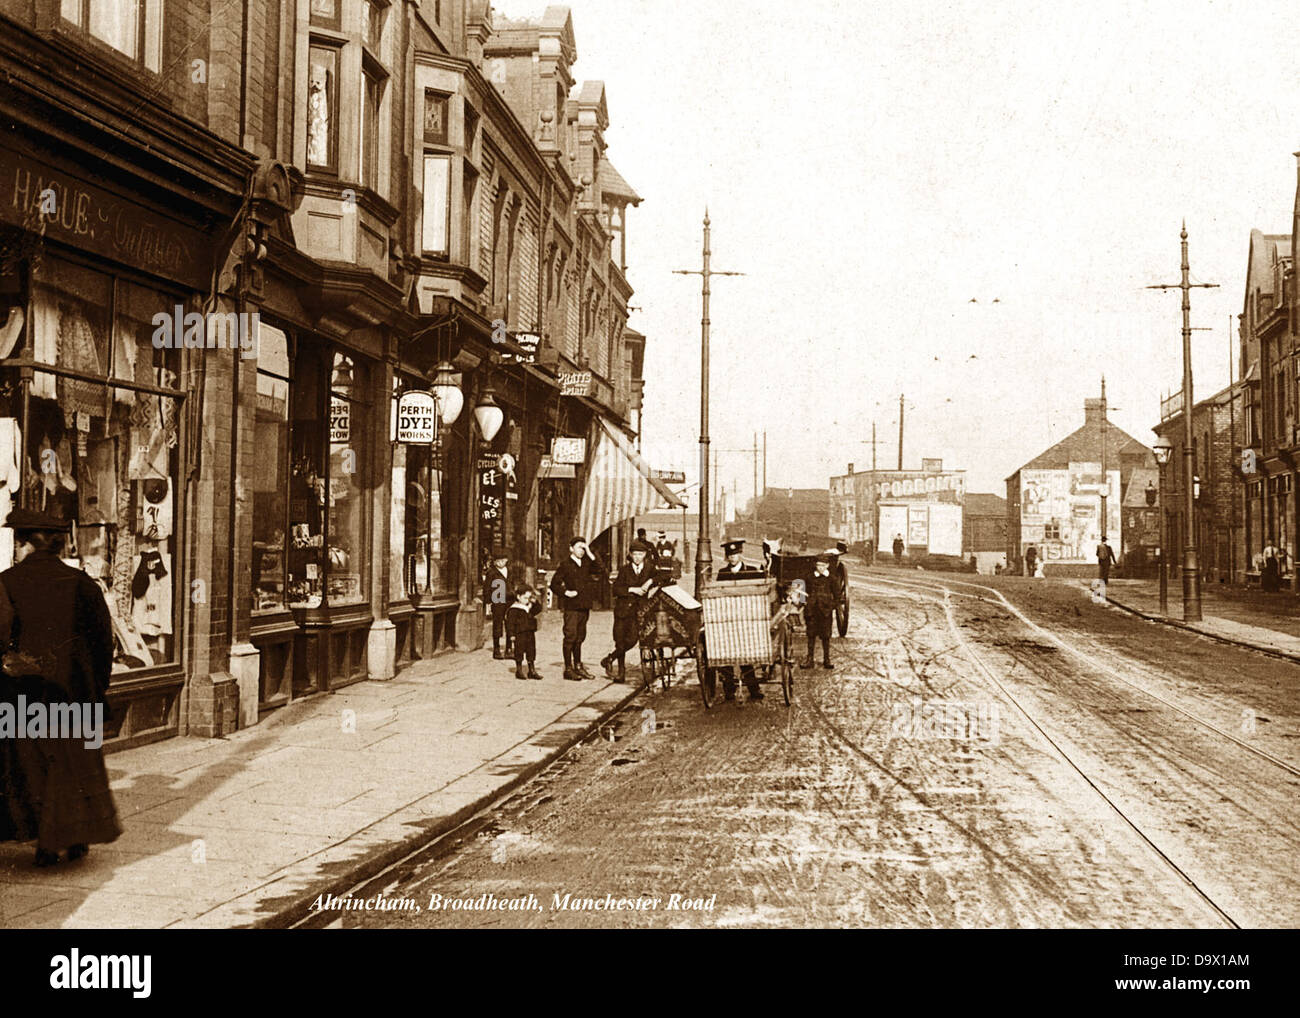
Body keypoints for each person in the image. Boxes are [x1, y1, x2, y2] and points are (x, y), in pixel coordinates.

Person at [0, 508, 120, 866]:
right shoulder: (83, 584)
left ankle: (45, 841)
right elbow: (104, 643)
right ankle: (74, 837)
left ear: (23, 544)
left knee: (33, 767)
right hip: (75, 694)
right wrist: (97, 689)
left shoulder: (6, 583)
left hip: (23, 696)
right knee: (74, 767)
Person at [710, 539, 764, 701]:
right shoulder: (722, 573)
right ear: (727, 557)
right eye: (730, 555)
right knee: (726, 654)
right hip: (728, 618)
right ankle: (729, 690)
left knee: (746, 655)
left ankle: (754, 689)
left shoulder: (752, 571)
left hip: (746, 618)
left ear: (740, 554)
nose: (733, 558)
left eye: (735, 554)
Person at [548, 536, 604, 681]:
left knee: (580, 636)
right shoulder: (565, 565)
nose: (582, 551)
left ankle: (578, 666)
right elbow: (554, 584)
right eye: (579, 547)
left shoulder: (587, 563)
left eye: (583, 548)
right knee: (570, 636)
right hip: (572, 606)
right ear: (571, 548)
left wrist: (590, 552)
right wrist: (566, 592)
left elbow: (600, 568)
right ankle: (568, 668)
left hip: (584, 605)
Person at [602, 540, 656, 683]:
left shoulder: (650, 568)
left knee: (632, 640)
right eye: (635, 554)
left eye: (640, 554)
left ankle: (610, 658)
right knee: (620, 641)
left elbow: (664, 577)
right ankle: (621, 672)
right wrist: (633, 589)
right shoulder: (624, 570)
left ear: (645, 555)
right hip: (623, 610)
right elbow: (616, 589)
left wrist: (650, 581)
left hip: (640, 612)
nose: (637, 557)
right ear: (630, 555)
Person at [802, 553, 836, 670]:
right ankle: (809, 659)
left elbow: (837, 596)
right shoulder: (809, 577)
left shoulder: (831, 578)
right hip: (811, 610)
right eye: (818, 565)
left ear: (827, 565)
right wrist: (805, 603)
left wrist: (831, 606)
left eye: (822, 565)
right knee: (811, 634)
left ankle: (827, 659)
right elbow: (803, 592)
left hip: (825, 611)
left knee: (826, 635)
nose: (820, 568)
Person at [505, 585, 543, 680]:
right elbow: (510, 624)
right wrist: (511, 635)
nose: (527, 600)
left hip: (530, 633)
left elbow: (538, 609)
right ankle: (519, 670)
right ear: (518, 596)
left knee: (531, 650)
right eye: (525, 598)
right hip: (519, 633)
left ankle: (532, 670)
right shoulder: (514, 609)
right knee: (519, 651)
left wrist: (535, 602)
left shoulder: (529, 607)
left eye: (529, 598)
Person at [482, 549, 513, 659]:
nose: (500, 563)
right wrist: (488, 602)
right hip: (497, 600)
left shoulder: (509, 571)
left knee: (510, 624)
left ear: (506, 560)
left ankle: (509, 648)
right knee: (497, 624)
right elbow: (487, 588)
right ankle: (496, 649)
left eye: (502, 560)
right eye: (497, 561)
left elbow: (514, 584)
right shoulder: (492, 572)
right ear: (494, 562)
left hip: (510, 600)